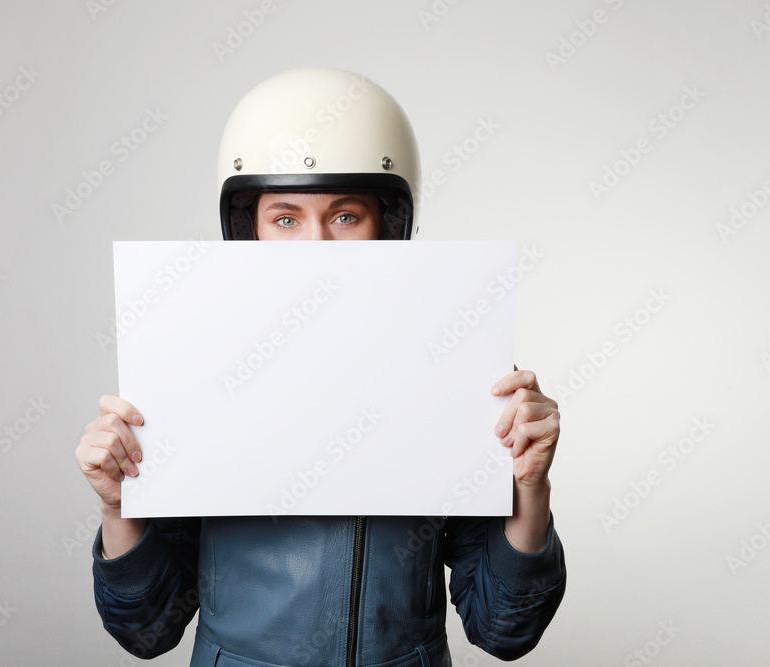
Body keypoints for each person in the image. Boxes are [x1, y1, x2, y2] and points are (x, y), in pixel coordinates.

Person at [75, 67, 566, 666]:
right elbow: (147, 632)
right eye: (285, 218)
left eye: (344, 216)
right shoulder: (196, 368)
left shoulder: (450, 366)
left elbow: (503, 631)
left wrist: (528, 486)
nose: (316, 247)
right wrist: (117, 505)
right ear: (248, 229)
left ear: (386, 227)